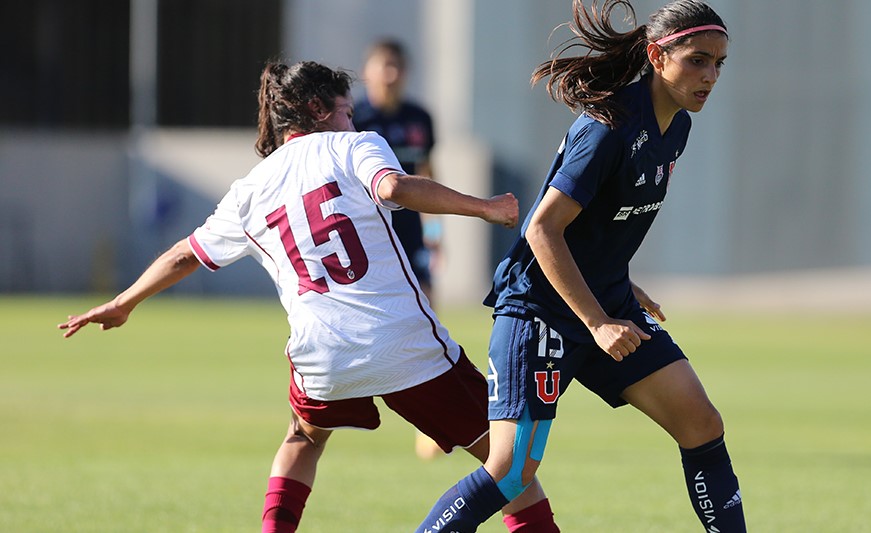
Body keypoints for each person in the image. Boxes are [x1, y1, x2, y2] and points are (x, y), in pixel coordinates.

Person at [58, 61, 559, 533]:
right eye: (344, 109)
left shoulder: (248, 189)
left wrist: (125, 301)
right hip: (405, 345)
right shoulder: (353, 145)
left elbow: (185, 254)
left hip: (321, 357)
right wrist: (484, 207)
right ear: (320, 110)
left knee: (303, 438)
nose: (351, 118)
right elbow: (392, 189)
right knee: (508, 464)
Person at [413, 1, 745, 532]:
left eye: (719, 64)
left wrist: (623, 285)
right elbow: (541, 229)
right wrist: (598, 322)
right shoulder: (609, 127)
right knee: (511, 471)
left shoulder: (675, 125)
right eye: (698, 60)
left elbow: (597, 224)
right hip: (540, 311)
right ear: (657, 57)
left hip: (607, 301)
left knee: (701, 424)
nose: (710, 76)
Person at [354, 37, 445, 461]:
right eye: (383, 65)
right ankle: (354, 401)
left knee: (427, 321)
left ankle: (429, 422)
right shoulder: (353, 118)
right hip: (368, 241)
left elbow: (428, 172)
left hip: (410, 237)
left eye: (397, 66)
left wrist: (437, 233)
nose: (390, 74)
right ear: (367, 71)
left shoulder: (419, 117)